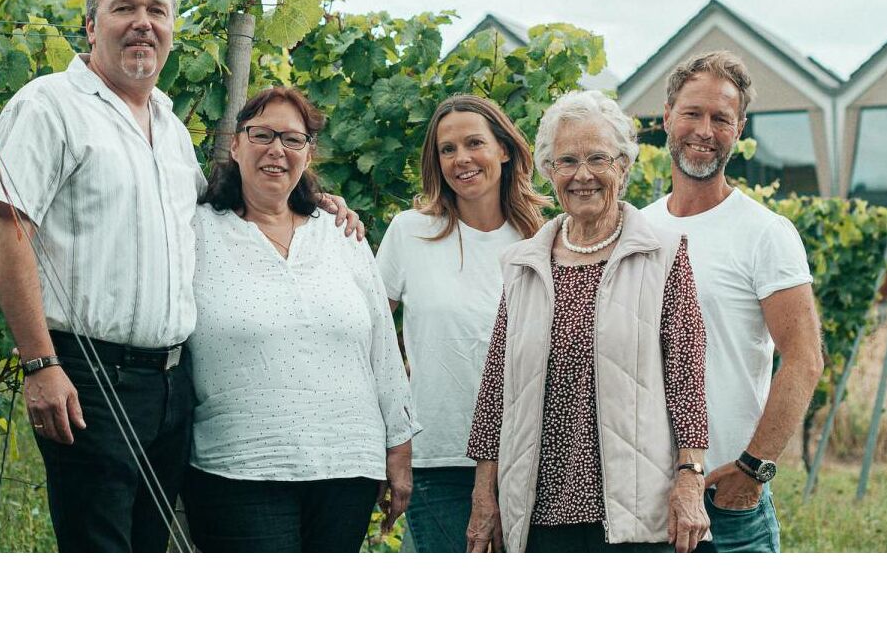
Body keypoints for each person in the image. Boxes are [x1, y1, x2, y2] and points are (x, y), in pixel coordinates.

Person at [0, 0, 361, 552]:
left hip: (170, 382)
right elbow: (8, 233)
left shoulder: (170, 125)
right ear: (91, 25)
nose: (143, 23)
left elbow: (221, 208)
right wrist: (40, 363)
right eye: (124, 8)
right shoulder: (48, 105)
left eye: (156, 10)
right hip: (87, 373)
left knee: (148, 553)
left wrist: (313, 201)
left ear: (171, 28)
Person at [465, 89, 710, 553]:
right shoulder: (523, 264)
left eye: (597, 158)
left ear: (623, 166)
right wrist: (484, 494)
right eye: (566, 161)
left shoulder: (662, 254)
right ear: (548, 171)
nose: (582, 175)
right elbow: (497, 389)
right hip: (536, 511)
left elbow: (687, 383)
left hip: (633, 514)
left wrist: (690, 480)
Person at [182, 87, 421, 552]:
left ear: (308, 153)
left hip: (347, 465)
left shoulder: (340, 233)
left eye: (292, 139)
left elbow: (381, 349)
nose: (276, 150)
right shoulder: (197, 230)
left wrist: (399, 447)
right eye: (262, 135)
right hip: (239, 465)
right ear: (235, 144)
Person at [639, 50, 824, 553]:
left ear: (738, 129)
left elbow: (805, 360)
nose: (704, 129)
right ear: (666, 117)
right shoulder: (637, 229)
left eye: (721, 118)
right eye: (692, 113)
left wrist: (753, 468)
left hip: (726, 499)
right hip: (642, 497)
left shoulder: (765, 233)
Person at [376, 95, 548, 552]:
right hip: (437, 459)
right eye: (447, 149)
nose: (461, 159)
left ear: (505, 150)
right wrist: (392, 440)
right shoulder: (410, 232)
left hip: (530, 460)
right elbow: (368, 337)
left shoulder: (540, 242)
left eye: (474, 143)